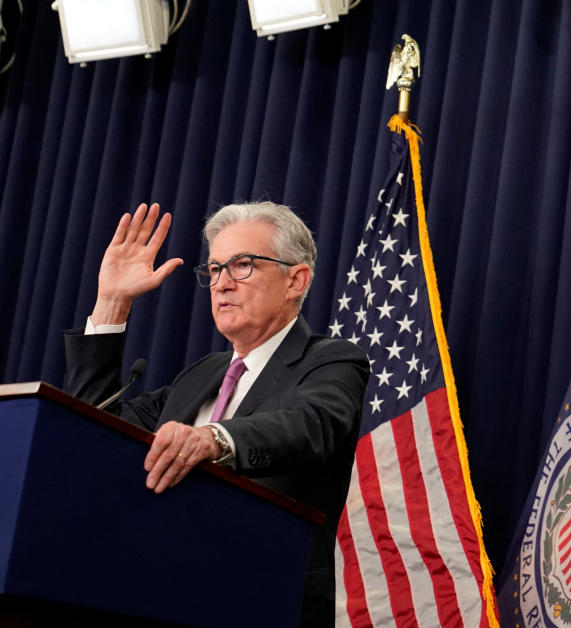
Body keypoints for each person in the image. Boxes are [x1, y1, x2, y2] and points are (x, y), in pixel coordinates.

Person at [64, 202, 369, 627]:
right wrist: (112, 303)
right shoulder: (200, 375)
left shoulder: (331, 361)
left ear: (295, 280)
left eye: (243, 265)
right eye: (214, 269)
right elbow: (94, 429)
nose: (222, 284)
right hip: (154, 592)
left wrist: (215, 439)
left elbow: (310, 425)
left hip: (262, 601)